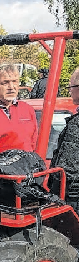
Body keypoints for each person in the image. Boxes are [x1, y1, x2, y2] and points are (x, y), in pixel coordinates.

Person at [49, 68, 79, 211]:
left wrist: (53, 195)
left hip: (73, 197)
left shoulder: (76, 123)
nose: (69, 91)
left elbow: (68, 167)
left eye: (71, 87)